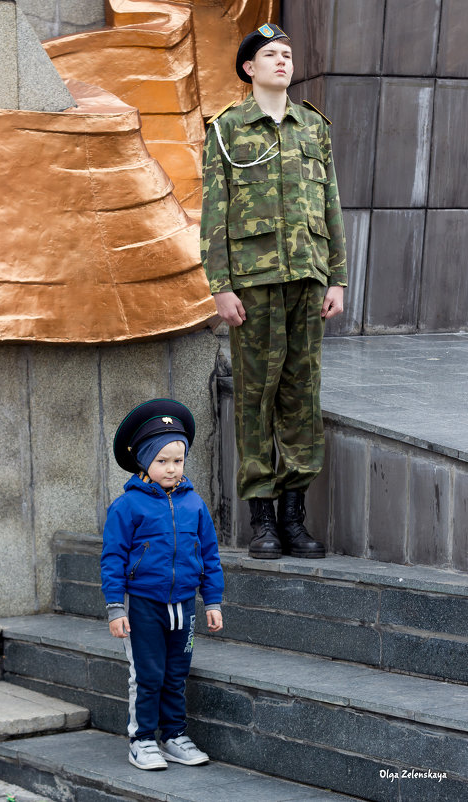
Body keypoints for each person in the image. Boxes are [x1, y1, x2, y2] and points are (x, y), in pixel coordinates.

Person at [200, 23, 347, 560]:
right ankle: (261, 518)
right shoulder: (226, 130)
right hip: (254, 284)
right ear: (249, 68)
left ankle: (293, 518)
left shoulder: (314, 128)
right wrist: (220, 287)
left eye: (287, 54)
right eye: (270, 55)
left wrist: (338, 276)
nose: (282, 61)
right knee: (257, 396)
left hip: (307, 279)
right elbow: (213, 216)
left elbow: (331, 205)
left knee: (302, 396)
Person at [101, 398, 224, 771]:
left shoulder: (195, 505)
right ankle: (142, 740)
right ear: (143, 462)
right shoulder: (127, 507)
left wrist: (213, 602)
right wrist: (115, 608)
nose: (171, 469)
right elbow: (113, 559)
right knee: (148, 674)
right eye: (162, 461)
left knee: (176, 673)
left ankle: (173, 736)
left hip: (183, 605)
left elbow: (210, 555)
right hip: (143, 606)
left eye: (178, 460)